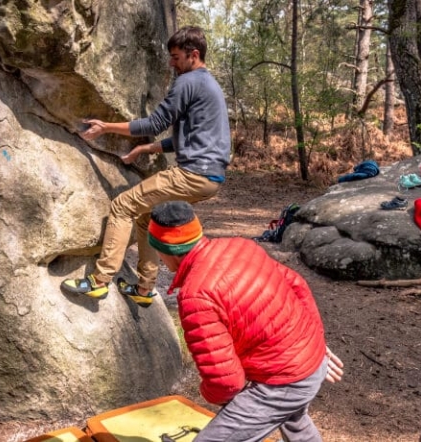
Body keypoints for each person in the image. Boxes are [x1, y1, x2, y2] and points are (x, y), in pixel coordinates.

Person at [61, 26, 231, 307]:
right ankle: (144, 288)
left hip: (192, 174)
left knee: (122, 206)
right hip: (210, 177)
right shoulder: (209, 85)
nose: (171, 63)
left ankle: (99, 282)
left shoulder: (187, 82)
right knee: (145, 218)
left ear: (194, 55)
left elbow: (154, 123)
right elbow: (192, 139)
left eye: (176, 57)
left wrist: (106, 128)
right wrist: (148, 147)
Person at [146, 200, 343, 442]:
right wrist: (315, 343)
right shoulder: (241, 245)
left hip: (284, 381)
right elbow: (298, 285)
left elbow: (226, 383)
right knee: (295, 421)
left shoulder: (195, 295)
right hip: (308, 364)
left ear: (166, 251)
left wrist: (207, 392)